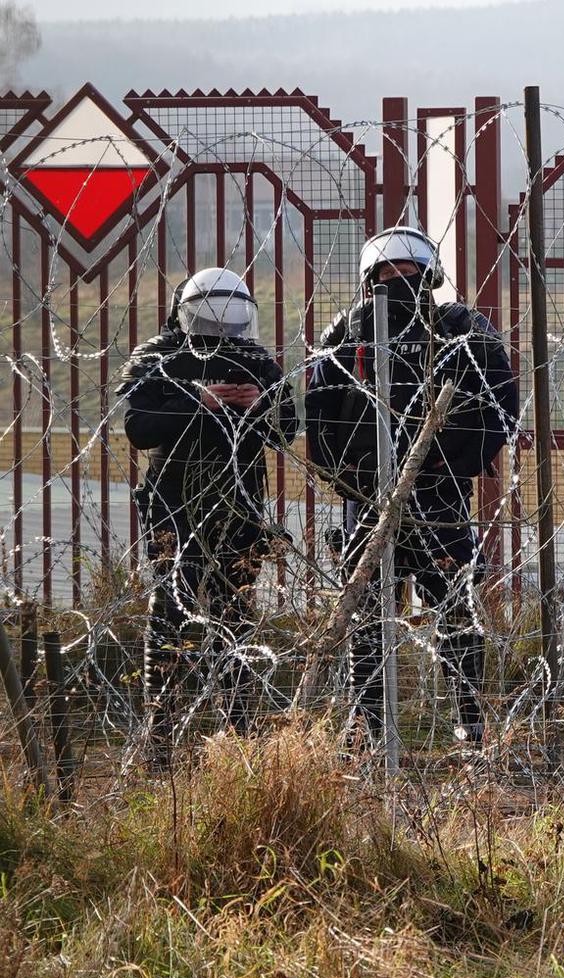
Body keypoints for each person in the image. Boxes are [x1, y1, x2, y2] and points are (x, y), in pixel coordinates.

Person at [306, 226, 518, 748]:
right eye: (387, 272)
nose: (398, 280)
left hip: (442, 492)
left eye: (409, 272)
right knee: (368, 611)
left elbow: (500, 406)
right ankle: (370, 724)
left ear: (430, 277)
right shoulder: (347, 333)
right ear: (369, 279)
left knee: (454, 605)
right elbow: (319, 414)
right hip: (369, 497)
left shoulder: (460, 328)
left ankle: (470, 719)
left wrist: (455, 461)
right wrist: (349, 478)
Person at [119, 267, 298, 769]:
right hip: (173, 506)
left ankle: (238, 735)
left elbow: (289, 429)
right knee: (169, 615)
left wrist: (260, 405)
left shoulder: (255, 359)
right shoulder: (160, 355)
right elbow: (139, 428)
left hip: (240, 509)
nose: (222, 333)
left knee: (235, 619)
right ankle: (159, 738)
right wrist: (200, 401)